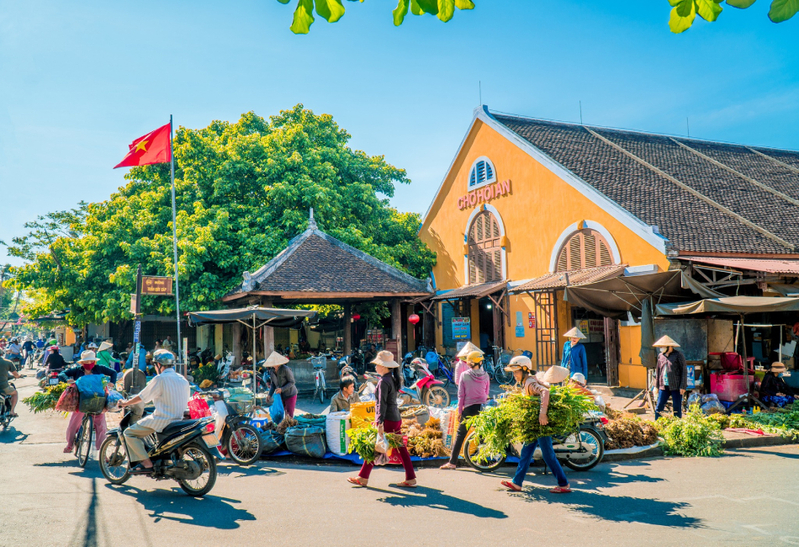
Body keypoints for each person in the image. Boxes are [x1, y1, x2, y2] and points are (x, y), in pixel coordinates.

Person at [501, 357, 571, 494]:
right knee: (526, 453)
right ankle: (517, 483)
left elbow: (545, 392)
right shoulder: (527, 381)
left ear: (525, 369)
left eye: (516, 372)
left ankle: (563, 484)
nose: (514, 375)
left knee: (548, 455)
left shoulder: (529, 382)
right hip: (534, 426)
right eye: (513, 372)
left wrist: (542, 413)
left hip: (541, 425)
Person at [348, 351, 417, 488]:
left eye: (377, 365)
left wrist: (379, 422)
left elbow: (381, 404)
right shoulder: (391, 379)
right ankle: (411, 478)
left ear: (384, 367)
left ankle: (363, 477)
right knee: (399, 448)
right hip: (395, 417)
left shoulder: (383, 382)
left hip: (388, 420)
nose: (375, 367)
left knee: (376, 446)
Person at [118, 350, 190, 474]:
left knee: (129, 433)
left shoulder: (160, 379)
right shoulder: (182, 379)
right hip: (179, 419)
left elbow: (142, 396)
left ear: (159, 365)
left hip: (163, 420)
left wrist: (125, 403)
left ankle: (147, 463)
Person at [441, 350, 490, 470]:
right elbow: (486, 393)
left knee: (460, 434)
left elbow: (461, 396)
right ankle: (483, 461)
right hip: (482, 407)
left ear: (469, 363)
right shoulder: (486, 375)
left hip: (469, 408)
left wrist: (459, 412)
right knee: (482, 434)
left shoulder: (465, 375)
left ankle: (452, 462)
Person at [61, 350, 118, 454]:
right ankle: (70, 445)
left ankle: (102, 452)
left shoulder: (99, 368)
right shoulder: (78, 370)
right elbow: (63, 374)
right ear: (82, 363)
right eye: (86, 362)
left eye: (91, 361)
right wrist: (67, 379)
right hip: (81, 401)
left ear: (94, 362)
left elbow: (113, 373)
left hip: (98, 400)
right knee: (74, 423)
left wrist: (112, 383)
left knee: (101, 425)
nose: (88, 364)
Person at [653, 335, 687, 419]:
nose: (661, 348)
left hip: (676, 386)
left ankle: (677, 424)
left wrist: (683, 386)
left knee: (676, 407)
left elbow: (684, 371)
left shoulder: (678, 355)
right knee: (659, 407)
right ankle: (657, 424)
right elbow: (658, 371)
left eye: (663, 346)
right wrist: (656, 386)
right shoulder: (661, 356)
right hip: (663, 386)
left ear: (670, 347)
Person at [265, 352, 298, 418]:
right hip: (281, 396)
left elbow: (292, 382)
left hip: (290, 395)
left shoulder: (285, 369)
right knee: (280, 414)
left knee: (289, 416)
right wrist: (269, 395)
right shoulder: (271, 371)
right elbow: (273, 384)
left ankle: (290, 428)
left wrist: (282, 389)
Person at [0, 352, 21, 417]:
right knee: (15, 393)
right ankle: (11, 411)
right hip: (3, 386)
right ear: (1, 354)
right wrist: (18, 376)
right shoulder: (7, 362)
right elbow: (16, 374)